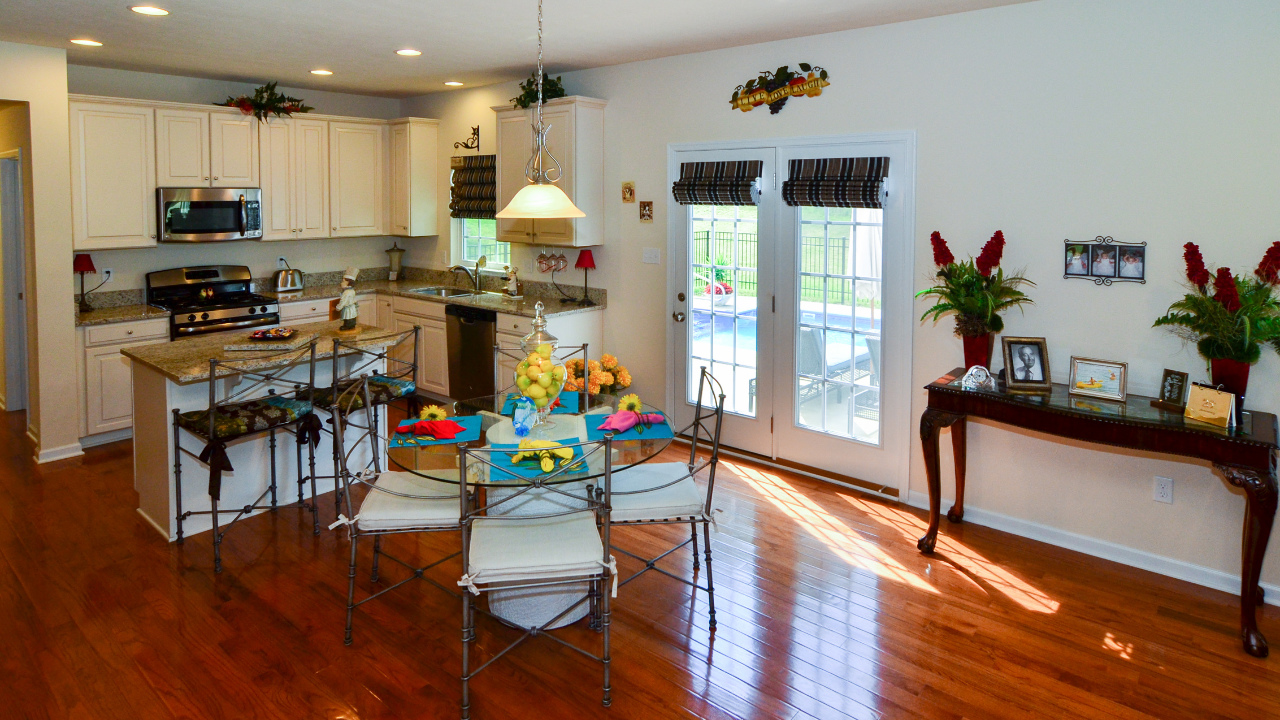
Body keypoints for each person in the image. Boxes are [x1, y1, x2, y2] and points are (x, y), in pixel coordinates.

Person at [335, 266, 359, 331]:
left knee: (348, 318)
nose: (341, 283)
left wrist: (338, 307)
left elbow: (343, 301)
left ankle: (347, 326)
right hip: (352, 308)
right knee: (352, 317)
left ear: (348, 283)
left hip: (348, 308)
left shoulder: (346, 293)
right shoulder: (352, 291)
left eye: (343, 281)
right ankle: (351, 325)